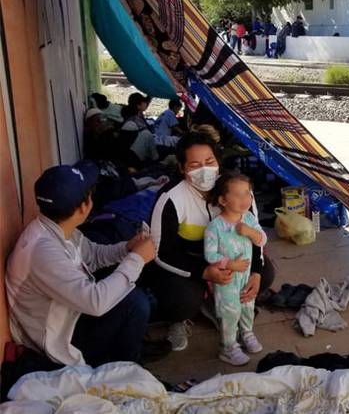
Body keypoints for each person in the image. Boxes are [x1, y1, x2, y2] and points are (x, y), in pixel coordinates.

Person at [5, 162, 158, 368]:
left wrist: (127, 249)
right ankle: (125, 370)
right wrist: (137, 259)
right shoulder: (43, 251)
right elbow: (95, 303)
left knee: (136, 292)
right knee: (135, 303)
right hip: (57, 339)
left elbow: (93, 254)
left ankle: (127, 351)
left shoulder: (57, 226)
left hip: (69, 314)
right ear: (84, 207)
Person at [146, 132, 275, 351]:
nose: (204, 170)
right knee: (183, 298)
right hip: (189, 265)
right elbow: (162, 252)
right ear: (181, 168)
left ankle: (221, 307)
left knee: (266, 274)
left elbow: (256, 236)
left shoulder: (238, 189)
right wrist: (203, 272)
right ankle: (180, 318)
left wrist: (256, 271)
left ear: (218, 162)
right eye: (195, 165)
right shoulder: (171, 198)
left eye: (209, 162)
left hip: (230, 260)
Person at [204, 172, 267, 365]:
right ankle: (228, 346)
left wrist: (250, 232)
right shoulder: (215, 227)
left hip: (246, 275)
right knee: (230, 311)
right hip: (227, 279)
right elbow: (210, 255)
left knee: (248, 306)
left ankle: (247, 333)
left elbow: (262, 240)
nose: (245, 199)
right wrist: (229, 264)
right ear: (223, 200)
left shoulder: (248, 219)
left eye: (247, 193)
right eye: (238, 195)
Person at [119, 92, 158, 167]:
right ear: (138, 105)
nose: (146, 104)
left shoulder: (136, 115)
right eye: (144, 102)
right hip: (135, 156)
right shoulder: (134, 120)